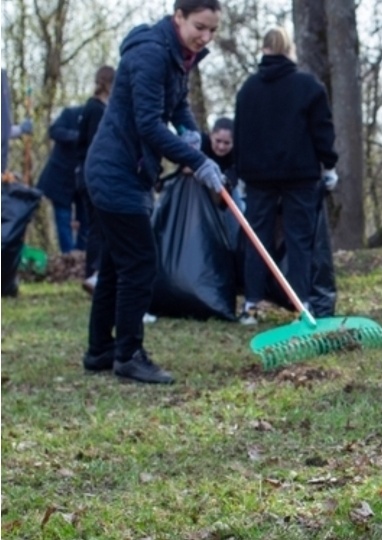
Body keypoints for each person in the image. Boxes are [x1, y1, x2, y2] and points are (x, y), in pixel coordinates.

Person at [82, 0, 227, 384]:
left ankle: (99, 351)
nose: (205, 37)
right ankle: (128, 354)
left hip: (128, 169)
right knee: (140, 264)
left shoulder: (180, 54)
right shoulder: (151, 55)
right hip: (116, 171)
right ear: (177, 17)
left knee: (117, 264)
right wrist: (199, 162)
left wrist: (191, 130)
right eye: (199, 27)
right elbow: (148, 124)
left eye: (212, 30)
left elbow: (175, 104)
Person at [233, 26, 338, 325]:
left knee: (257, 239)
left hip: (257, 176)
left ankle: (251, 304)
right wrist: (328, 165)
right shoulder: (308, 86)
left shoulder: (248, 88)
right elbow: (322, 131)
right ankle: (301, 303)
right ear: (289, 50)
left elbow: (241, 133)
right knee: (299, 239)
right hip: (300, 173)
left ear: (263, 49)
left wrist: (240, 171)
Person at [76, 65, 115, 294]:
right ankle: (94, 273)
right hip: (92, 174)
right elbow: (94, 144)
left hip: (86, 172)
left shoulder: (92, 108)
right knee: (97, 226)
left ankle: (95, 272)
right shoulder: (97, 110)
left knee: (96, 226)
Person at [36, 105, 86, 254]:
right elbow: (55, 131)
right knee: (63, 217)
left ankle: (82, 254)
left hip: (83, 178)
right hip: (61, 176)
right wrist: (77, 137)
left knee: (85, 218)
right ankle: (68, 254)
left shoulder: (100, 119)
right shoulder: (70, 113)